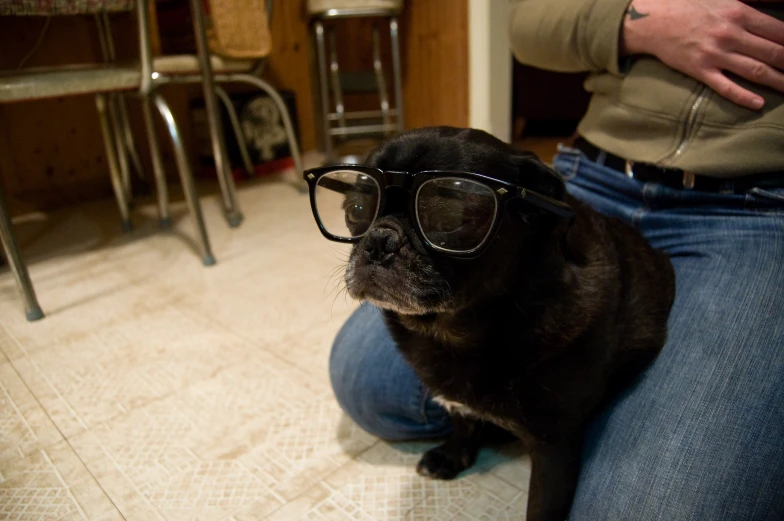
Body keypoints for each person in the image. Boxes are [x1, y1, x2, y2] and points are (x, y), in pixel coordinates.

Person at [328, 0, 784, 518]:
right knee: (366, 389)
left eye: (445, 216)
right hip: (596, 169)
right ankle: (473, 428)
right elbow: (526, 24)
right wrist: (632, 21)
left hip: (757, 206)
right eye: (363, 209)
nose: (380, 244)